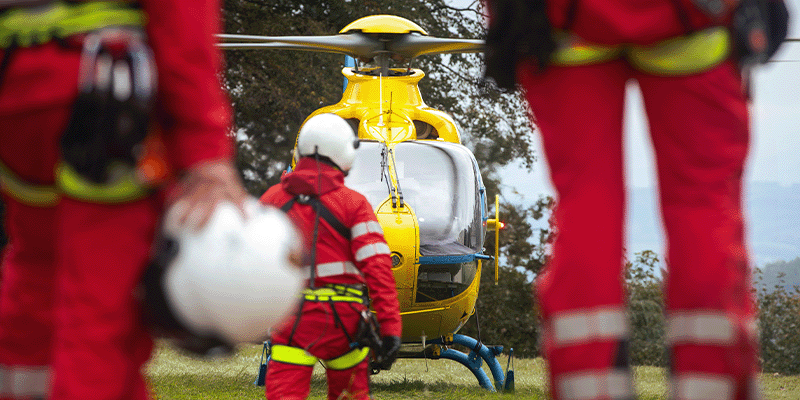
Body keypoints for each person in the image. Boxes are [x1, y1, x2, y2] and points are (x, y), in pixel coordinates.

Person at [484, 0, 788, 399]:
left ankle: (589, 384)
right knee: (703, 209)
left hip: (567, 24)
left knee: (586, 209)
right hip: (694, 22)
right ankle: (713, 383)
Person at [0, 0, 247, 399]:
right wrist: (205, 152)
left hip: (16, 90)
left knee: (35, 272)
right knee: (102, 307)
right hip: (100, 94)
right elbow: (184, 22)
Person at [260, 113, 402, 400]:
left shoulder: (272, 200)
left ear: (300, 151)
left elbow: (252, 264)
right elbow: (378, 268)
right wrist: (390, 327)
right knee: (351, 395)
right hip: (345, 323)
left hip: (292, 319)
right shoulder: (354, 204)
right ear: (344, 152)